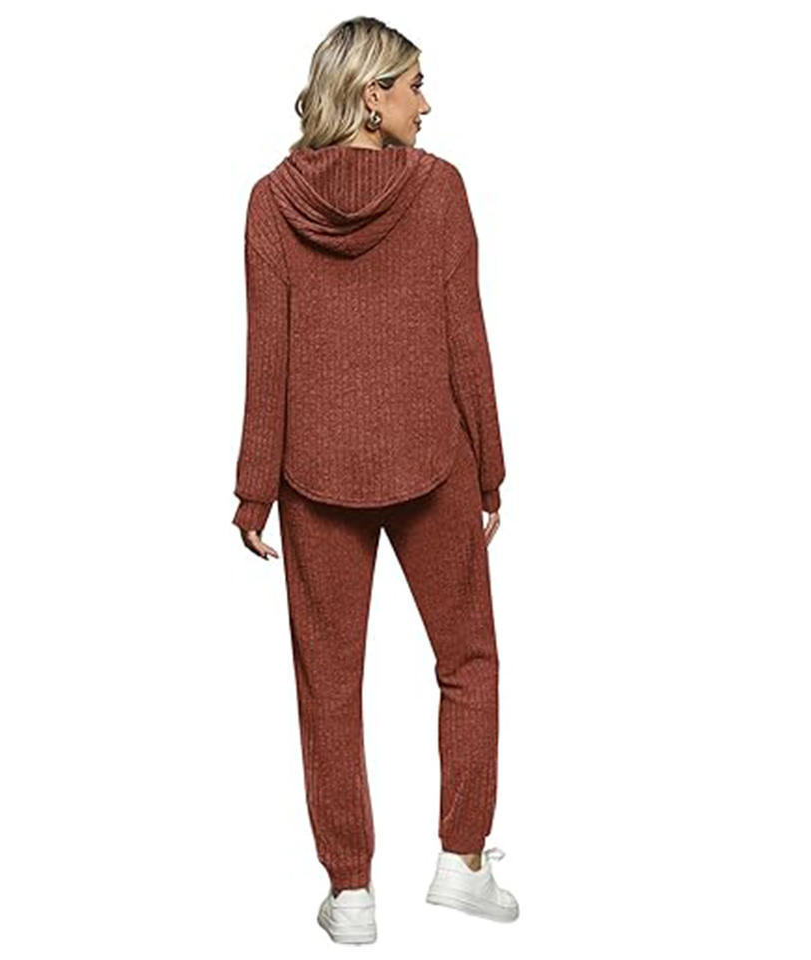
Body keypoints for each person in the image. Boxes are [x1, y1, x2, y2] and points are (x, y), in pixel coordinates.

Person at [230, 16, 518, 942]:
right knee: (468, 662)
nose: (426, 104)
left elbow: (267, 358)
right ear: (371, 96)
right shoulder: (439, 190)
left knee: (328, 683)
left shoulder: (271, 201)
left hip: (313, 471)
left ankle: (350, 893)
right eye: (414, 85)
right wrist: (491, 466)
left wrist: (254, 488)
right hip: (434, 458)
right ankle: (462, 862)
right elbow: (465, 337)